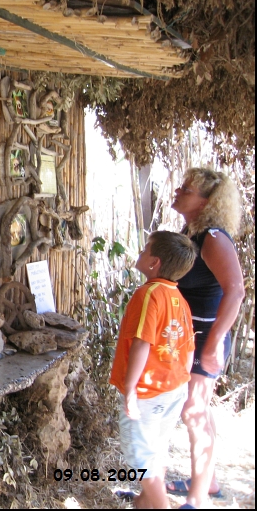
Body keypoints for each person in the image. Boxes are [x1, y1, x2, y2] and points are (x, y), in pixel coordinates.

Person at [165, 168, 244, 508]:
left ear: (206, 202)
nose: (178, 191)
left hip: (205, 335)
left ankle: (197, 499)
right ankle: (206, 481)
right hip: (192, 335)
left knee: (194, 410)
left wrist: (214, 343)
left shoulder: (213, 238)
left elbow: (236, 290)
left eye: (187, 190)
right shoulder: (194, 233)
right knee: (197, 409)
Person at [109, 231, 197, 510]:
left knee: (141, 459)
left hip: (149, 392)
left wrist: (132, 388)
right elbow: (188, 346)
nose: (141, 251)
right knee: (156, 450)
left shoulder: (148, 294)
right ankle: (144, 504)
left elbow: (142, 343)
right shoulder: (177, 298)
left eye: (146, 249)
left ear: (154, 263)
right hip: (173, 388)